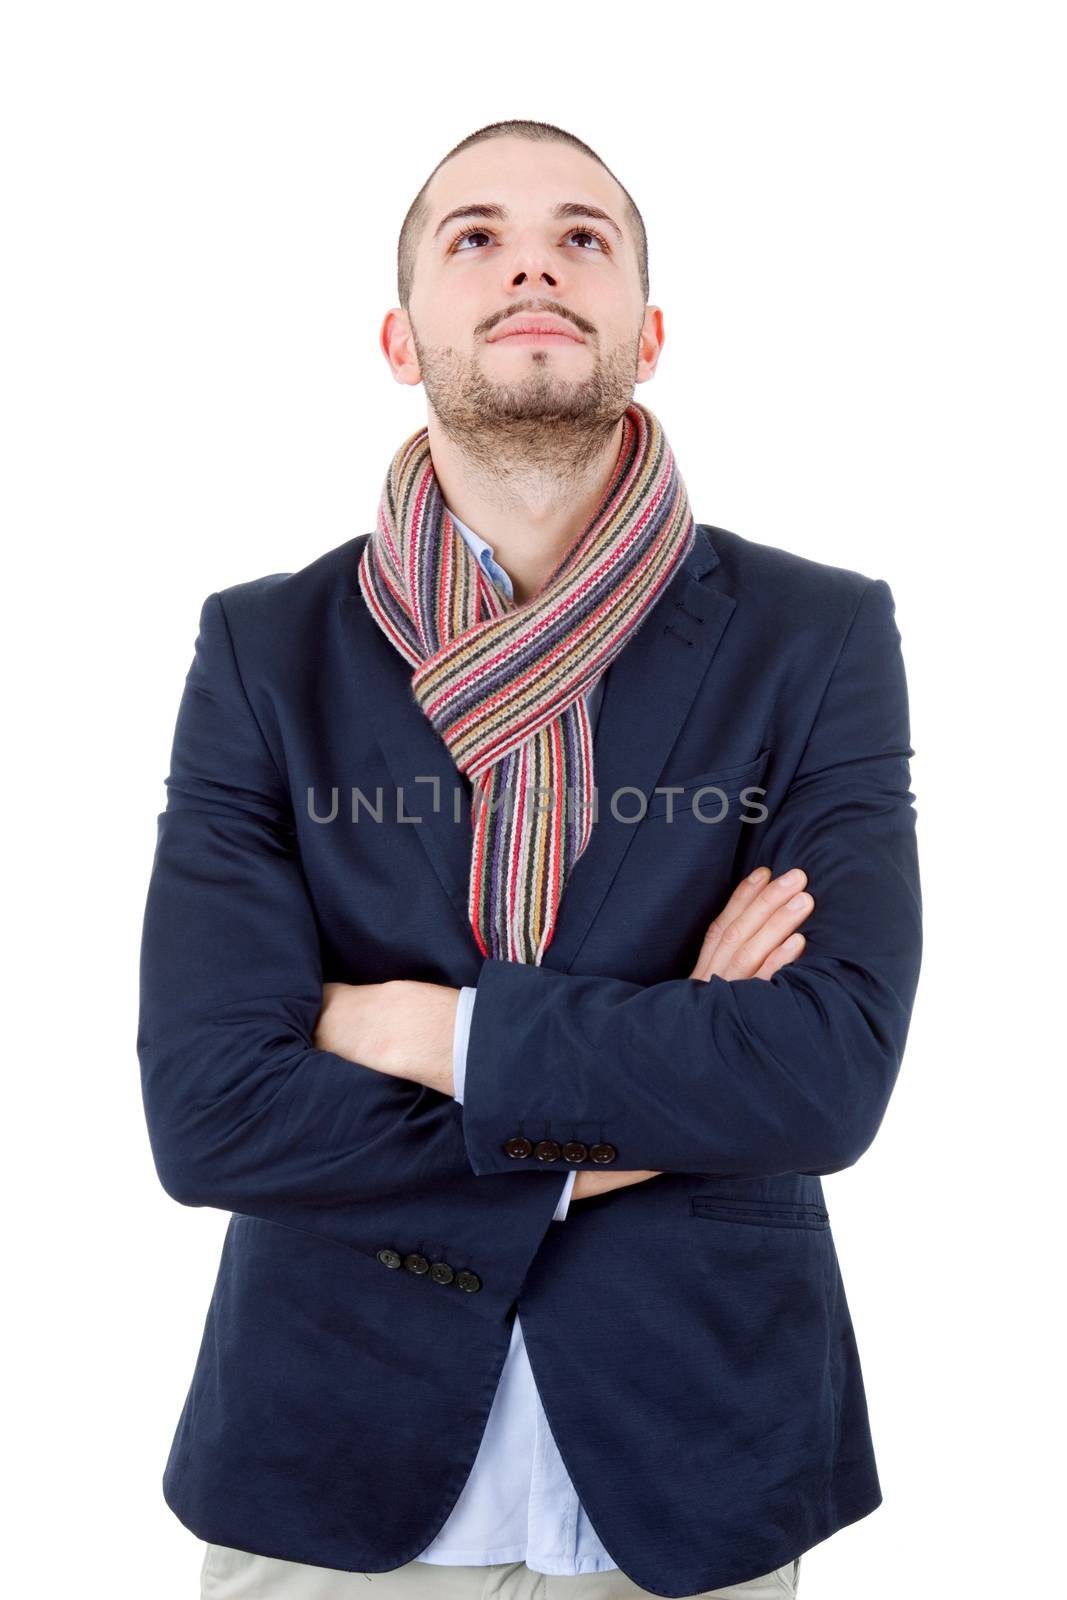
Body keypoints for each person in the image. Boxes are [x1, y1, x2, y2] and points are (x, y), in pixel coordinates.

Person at [137, 118, 923, 1600]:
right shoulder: (265, 650)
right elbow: (209, 1108)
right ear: (399, 334)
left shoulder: (814, 638)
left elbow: (823, 1072)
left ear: (649, 324)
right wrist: (646, 1092)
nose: (532, 267)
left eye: (583, 237)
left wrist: (426, 1033)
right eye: (475, 237)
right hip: (327, 1460)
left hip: (697, 1461)